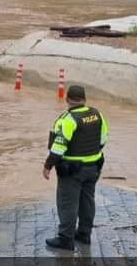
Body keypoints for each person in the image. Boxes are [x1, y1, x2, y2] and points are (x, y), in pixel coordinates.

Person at [43, 84, 108, 250]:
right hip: (94, 167)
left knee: (68, 203)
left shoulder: (67, 119)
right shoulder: (97, 114)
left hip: (72, 170)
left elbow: (58, 148)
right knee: (87, 200)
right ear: (84, 99)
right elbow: (103, 139)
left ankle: (66, 238)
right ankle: (84, 235)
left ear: (67, 99)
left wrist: (48, 165)